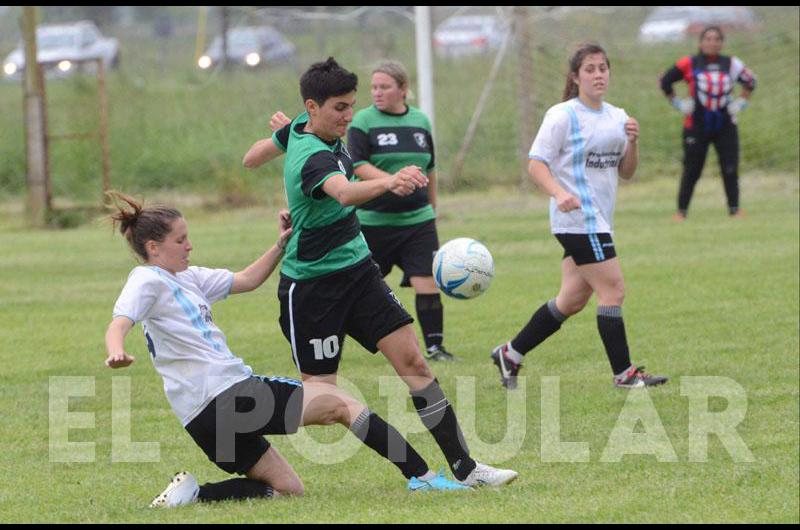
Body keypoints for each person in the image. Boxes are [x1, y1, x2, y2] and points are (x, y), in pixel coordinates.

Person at [242, 57, 518, 487]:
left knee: (414, 363)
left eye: (351, 105)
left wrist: (278, 141)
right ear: (314, 106)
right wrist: (388, 182)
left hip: (358, 272)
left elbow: (253, 158)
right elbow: (346, 193)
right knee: (322, 400)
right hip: (312, 290)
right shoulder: (314, 158)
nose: (349, 116)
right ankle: (239, 413)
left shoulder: (301, 124)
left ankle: (465, 468)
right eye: (339, 108)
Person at [103, 192, 471, 508]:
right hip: (229, 395)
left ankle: (196, 495)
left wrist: (281, 244)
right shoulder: (147, 278)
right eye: (181, 240)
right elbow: (121, 319)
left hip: (202, 420)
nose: (189, 245)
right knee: (340, 404)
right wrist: (116, 350)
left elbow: (246, 280)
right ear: (153, 248)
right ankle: (421, 475)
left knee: (287, 490)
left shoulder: (188, 277)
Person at [490, 43, 668, 390]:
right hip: (577, 220)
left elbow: (626, 172)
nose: (598, 74)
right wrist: (559, 193)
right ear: (576, 76)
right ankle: (625, 374)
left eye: (603, 67)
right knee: (613, 290)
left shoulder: (618, 116)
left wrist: (632, 143)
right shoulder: (562, 115)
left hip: (599, 220)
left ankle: (510, 353)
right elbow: (536, 164)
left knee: (571, 300)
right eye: (590, 69)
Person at [659, 25, 757, 221]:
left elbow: (750, 81)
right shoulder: (690, 63)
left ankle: (734, 209)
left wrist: (742, 103)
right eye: (708, 39)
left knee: (730, 167)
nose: (712, 43)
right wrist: (677, 103)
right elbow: (665, 81)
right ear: (700, 42)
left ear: (722, 43)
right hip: (696, 125)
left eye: (716, 39)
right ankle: (681, 212)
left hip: (726, 125)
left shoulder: (731, 63)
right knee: (692, 169)